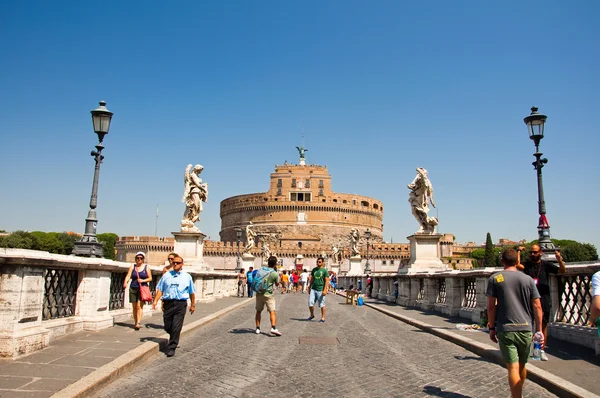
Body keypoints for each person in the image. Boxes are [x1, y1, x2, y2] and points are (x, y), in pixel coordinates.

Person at [487, 249, 543, 398]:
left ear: (502, 261)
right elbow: (537, 306)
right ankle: (517, 393)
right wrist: (539, 330)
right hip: (526, 328)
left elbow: (491, 307)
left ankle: (516, 396)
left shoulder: (495, 278)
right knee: (522, 365)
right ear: (517, 262)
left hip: (506, 329)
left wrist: (491, 327)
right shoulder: (528, 279)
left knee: (512, 367)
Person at [516, 243, 566, 361]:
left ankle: (541, 350)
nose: (532, 254)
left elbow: (562, 271)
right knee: (528, 323)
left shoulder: (546, 265)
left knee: (543, 324)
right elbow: (517, 265)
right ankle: (527, 348)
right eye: (531, 252)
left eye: (535, 252)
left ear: (540, 253)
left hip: (544, 298)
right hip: (528, 298)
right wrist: (518, 251)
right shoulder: (527, 265)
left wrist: (559, 260)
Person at [152, 255, 196, 357]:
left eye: (178, 263)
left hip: (181, 304)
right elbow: (160, 290)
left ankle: (172, 347)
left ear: (182, 264)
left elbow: (191, 292)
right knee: (168, 326)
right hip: (168, 303)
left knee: (176, 326)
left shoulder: (187, 276)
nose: (175, 264)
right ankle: (173, 336)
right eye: (174, 262)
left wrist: (192, 305)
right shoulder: (166, 275)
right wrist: (155, 301)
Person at [123, 251, 152, 330]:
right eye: (137, 258)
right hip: (133, 287)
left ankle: (138, 322)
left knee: (139, 306)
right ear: (135, 259)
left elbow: (150, 278)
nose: (139, 259)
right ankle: (135, 321)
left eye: (141, 258)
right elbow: (128, 275)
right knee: (134, 306)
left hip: (142, 289)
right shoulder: (132, 267)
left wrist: (142, 280)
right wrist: (125, 282)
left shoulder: (146, 267)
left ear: (143, 259)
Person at [254, 256, 282, 336]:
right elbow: (277, 284)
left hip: (259, 293)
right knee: (272, 311)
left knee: (258, 311)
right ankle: (273, 327)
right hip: (268, 294)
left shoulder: (262, 269)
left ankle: (257, 328)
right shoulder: (274, 273)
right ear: (275, 263)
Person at [181, 164, 208, 230]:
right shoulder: (193, 175)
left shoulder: (197, 176)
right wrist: (204, 189)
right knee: (194, 206)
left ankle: (191, 221)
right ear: (197, 169)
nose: (200, 172)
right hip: (194, 192)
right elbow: (197, 184)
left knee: (198, 208)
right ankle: (189, 220)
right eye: (200, 170)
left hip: (198, 193)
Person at [307, 257, 330, 322]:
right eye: (317, 262)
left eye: (319, 262)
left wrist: (325, 289)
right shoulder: (314, 270)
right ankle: (312, 315)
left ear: (322, 263)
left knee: (322, 304)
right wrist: (309, 287)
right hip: (313, 289)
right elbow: (312, 279)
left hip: (320, 289)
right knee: (310, 303)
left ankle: (323, 317)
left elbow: (327, 281)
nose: (318, 263)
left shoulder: (324, 271)